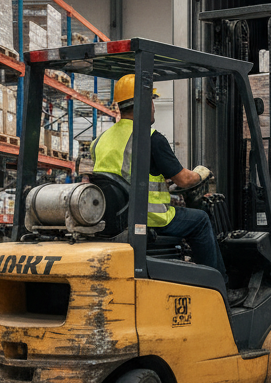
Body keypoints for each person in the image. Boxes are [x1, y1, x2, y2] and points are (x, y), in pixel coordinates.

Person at [92, 73, 230, 290]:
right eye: (152, 101)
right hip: (150, 218)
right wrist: (201, 174)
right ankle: (217, 286)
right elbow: (184, 180)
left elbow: (121, 174)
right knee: (201, 220)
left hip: (113, 220)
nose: (154, 107)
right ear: (145, 103)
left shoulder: (99, 140)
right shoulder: (151, 137)